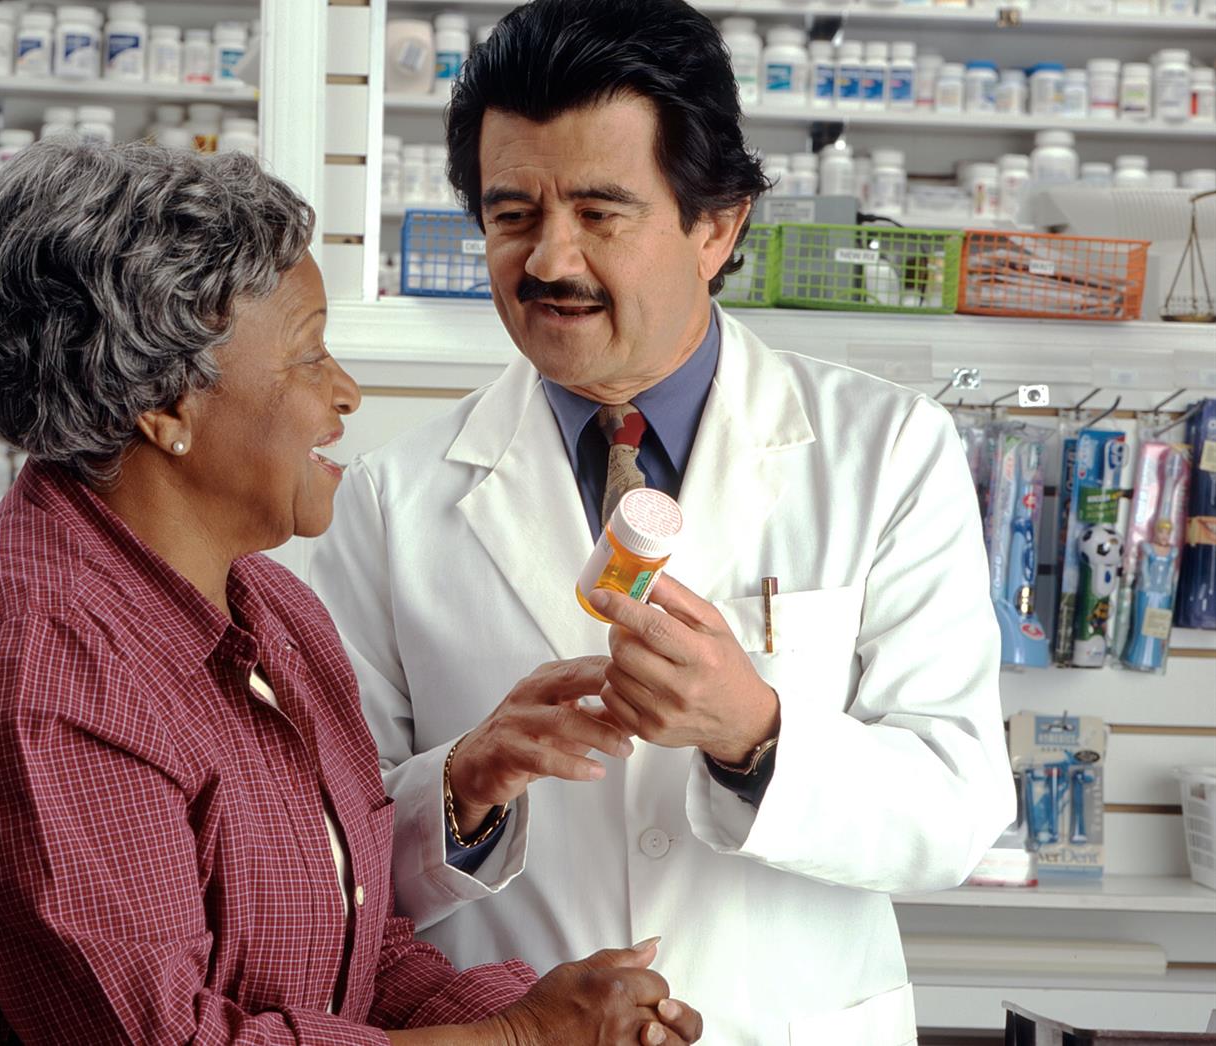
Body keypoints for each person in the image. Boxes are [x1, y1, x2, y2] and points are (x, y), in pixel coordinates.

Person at [0, 141, 705, 1046]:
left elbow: (357, 955)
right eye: (308, 356)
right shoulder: (40, 663)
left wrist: (540, 1014)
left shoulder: (272, 611)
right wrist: (523, 1041)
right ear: (164, 406)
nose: (346, 392)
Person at [310, 1, 1016, 1043]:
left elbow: (952, 812)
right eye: (512, 215)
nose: (549, 260)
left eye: (600, 211)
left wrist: (754, 730)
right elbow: (323, 845)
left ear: (714, 225)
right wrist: (463, 783)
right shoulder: (389, 496)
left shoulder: (887, 452)